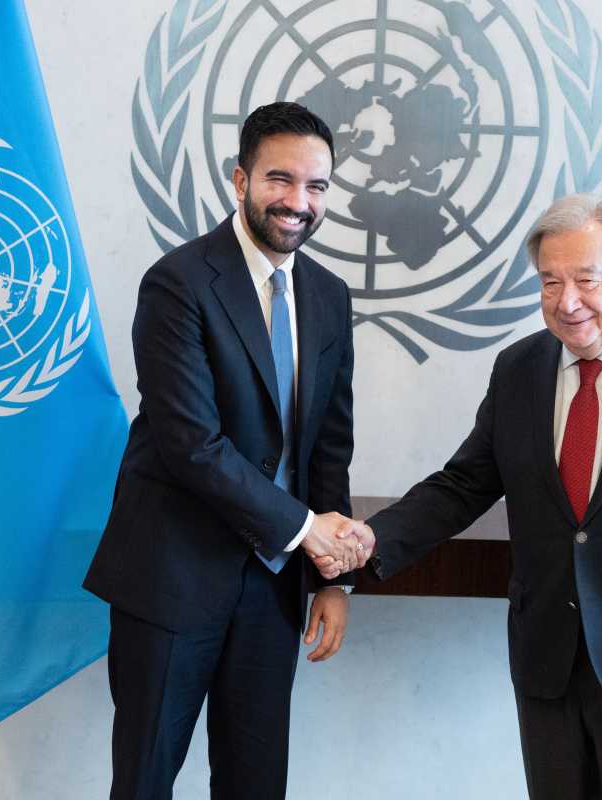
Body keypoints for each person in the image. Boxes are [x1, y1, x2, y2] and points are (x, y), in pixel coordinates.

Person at [330, 196, 602, 799]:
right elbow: (464, 484)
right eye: (550, 282)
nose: (567, 301)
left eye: (586, 279)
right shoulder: (519, 369)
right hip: (547, 655)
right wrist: (373, 537)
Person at [84, 102, 368, 800]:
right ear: (239, 179)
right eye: (280, 179)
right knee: (146, 780)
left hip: (273, 590)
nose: (299, 202)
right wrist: (310, 531)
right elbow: (192, 444)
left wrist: (331, 579)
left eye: (317, 186)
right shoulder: (178, 283)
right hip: (172, 579)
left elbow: (328, 443)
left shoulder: (328, 296)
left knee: (255, 784)